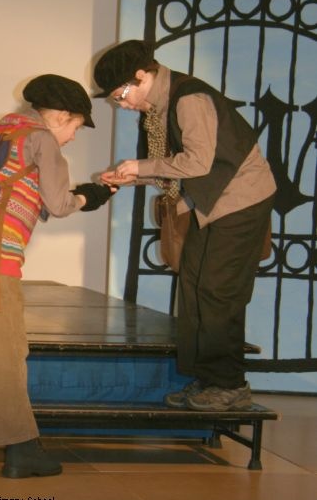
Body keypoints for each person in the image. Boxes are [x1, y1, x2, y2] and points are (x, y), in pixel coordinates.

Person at [0, 74, 116, 478]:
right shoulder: (42, 139)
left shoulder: (1, 130)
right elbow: (60, 203)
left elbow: (34, 196)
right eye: (75, 127)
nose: (72, 137)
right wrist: (93, 195)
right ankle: (21, 448)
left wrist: (86, 192)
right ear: (61, 115)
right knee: (6, 349)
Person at [93, 40, 276, 412]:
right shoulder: (162, 103)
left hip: (241, 199)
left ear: (141, 76)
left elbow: (197, 162)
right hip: (213, 202)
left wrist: (141, 166)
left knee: (218, 292)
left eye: (121, 95)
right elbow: (178, 165)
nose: (122, 105)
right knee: (193, 286)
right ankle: (208, 379)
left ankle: (229, 385)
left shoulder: (189, 99)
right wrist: (135, 177)